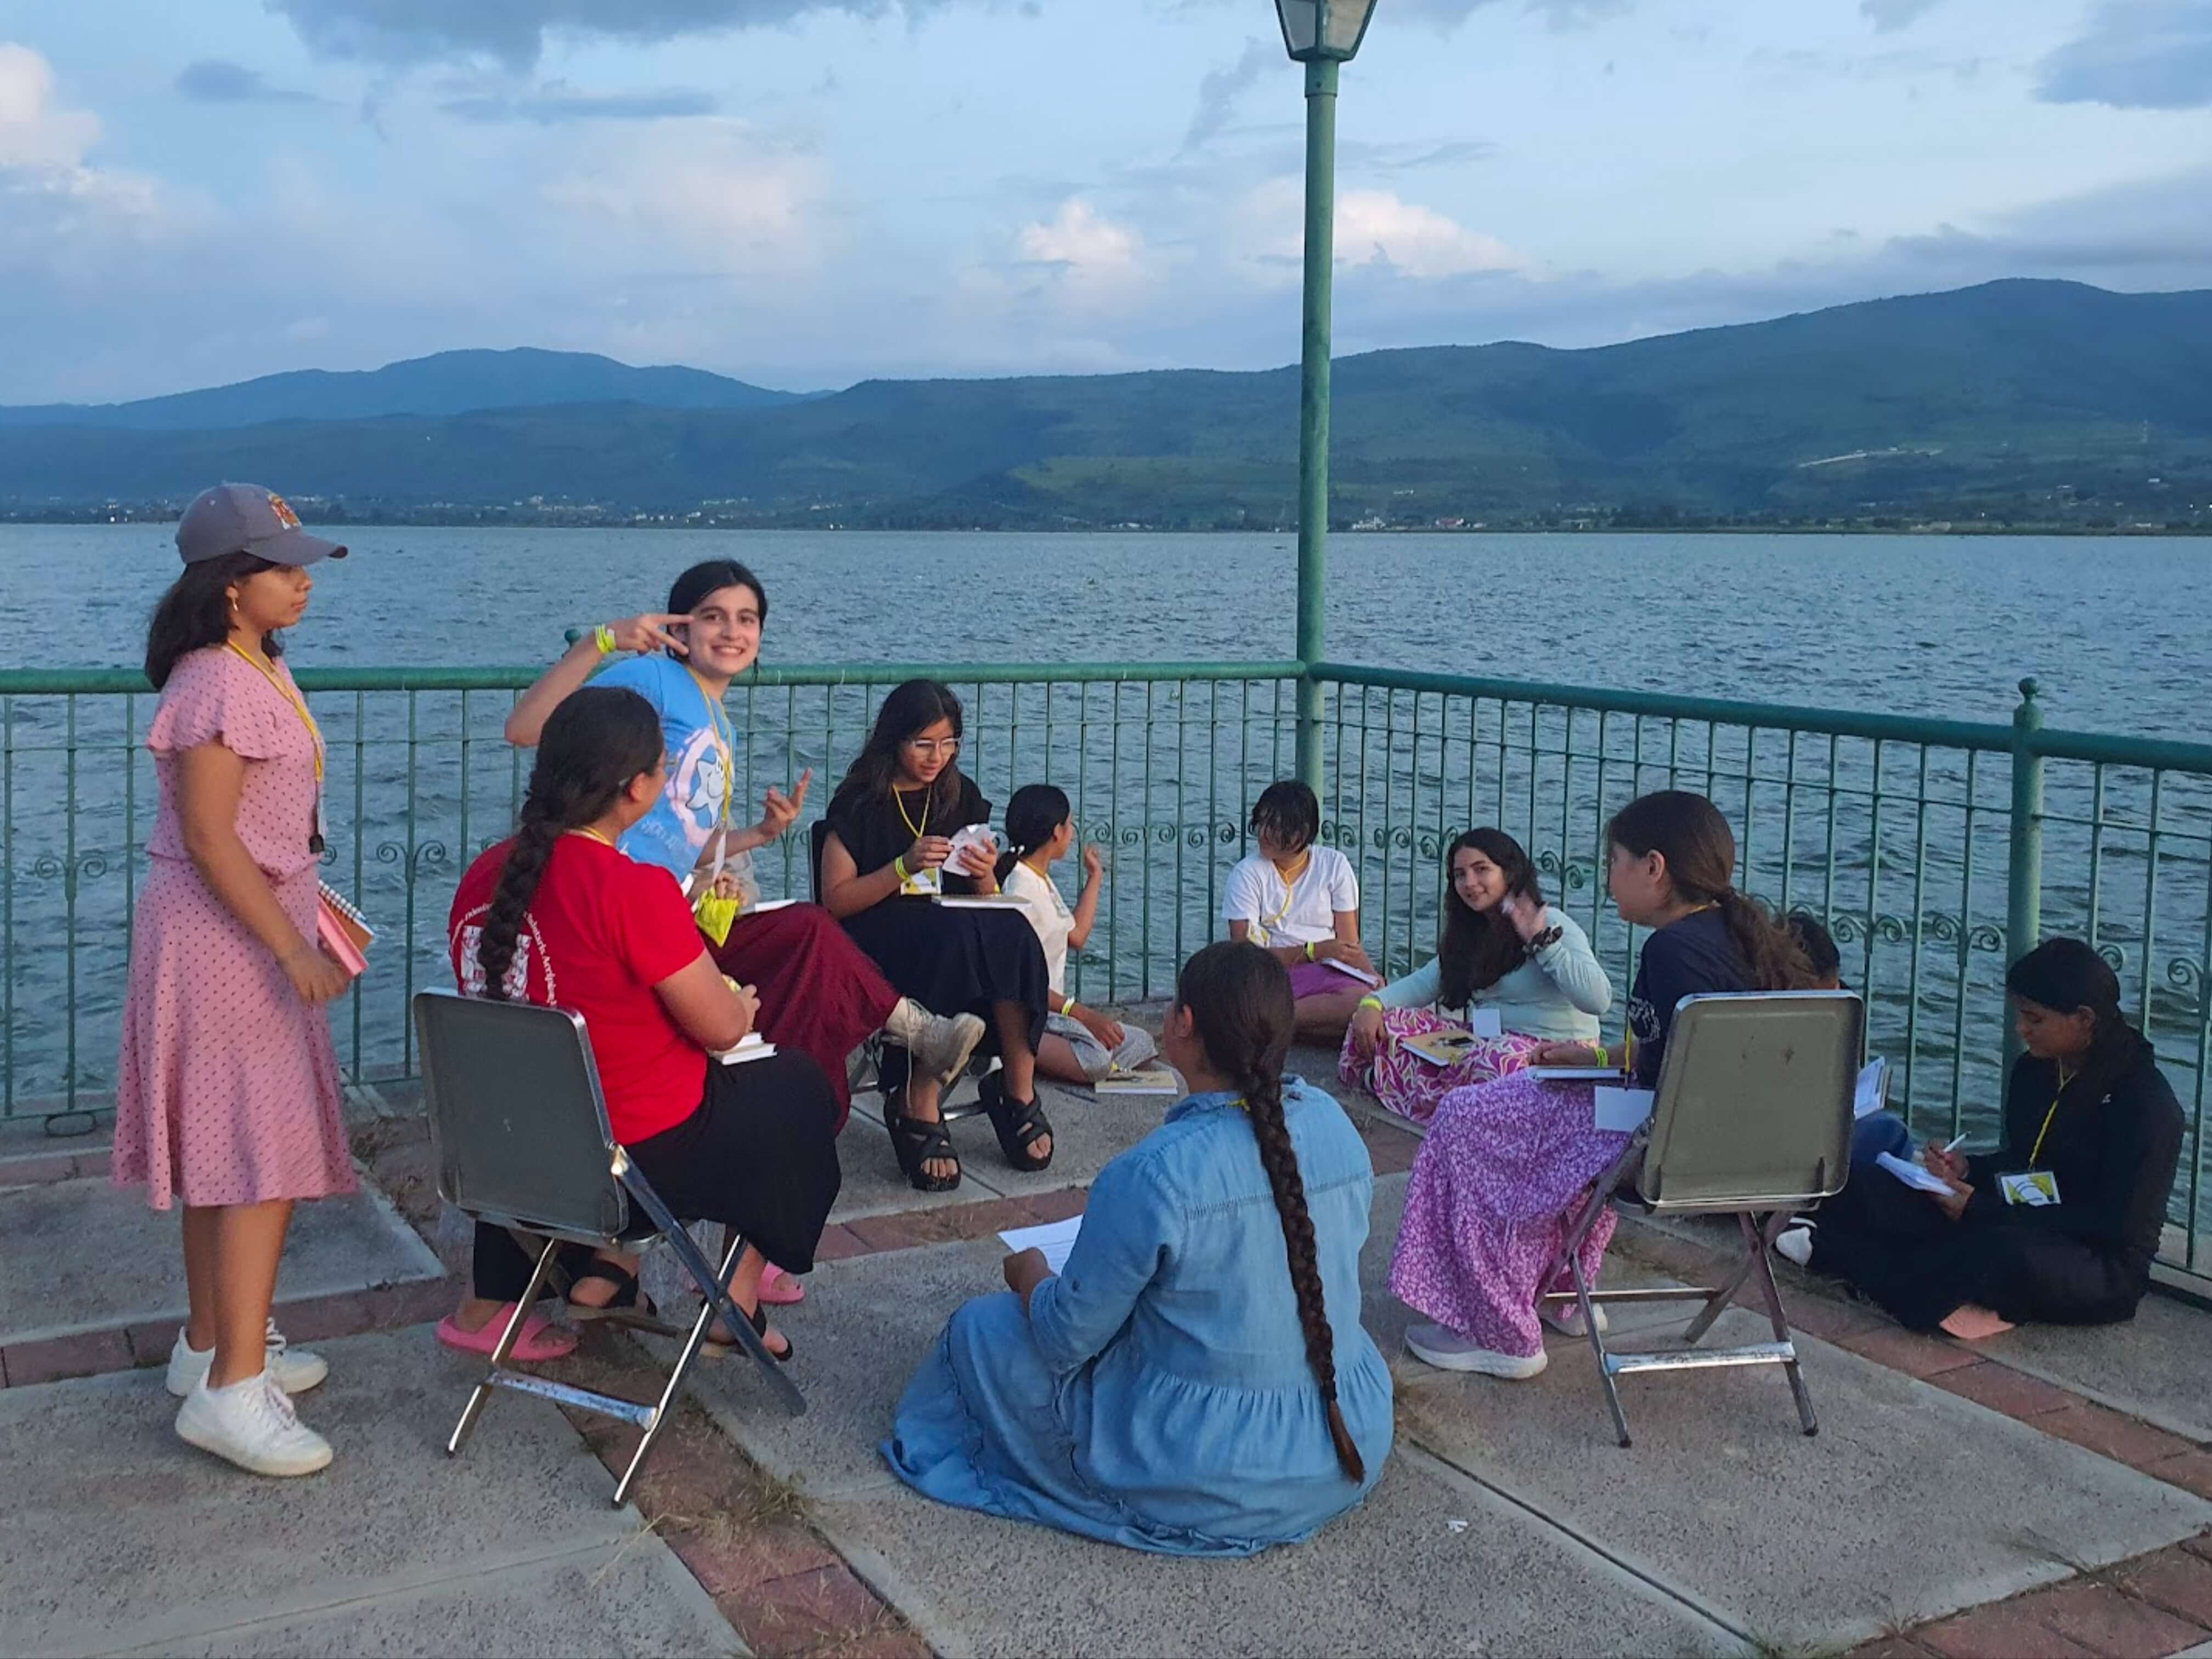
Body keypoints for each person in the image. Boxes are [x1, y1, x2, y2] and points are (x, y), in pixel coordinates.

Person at [503, 562, 981, 1300]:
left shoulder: (714, 718)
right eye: (713, 615)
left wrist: (756, 835)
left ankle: (675, 1253)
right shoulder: (655, 683)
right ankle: (903, 1044)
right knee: (810, 943)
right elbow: (529, 729)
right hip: (624, 921)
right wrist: (601, 642)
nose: (732, 631)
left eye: (747, 618)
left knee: (803, 1001)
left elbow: (672, 836)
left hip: (670, 913)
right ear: (678, 627)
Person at [883, 941, 1391, 1555]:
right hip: (1347, 1439)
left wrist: (1031, 1276)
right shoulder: (1333, 1123)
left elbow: (1064, 1338)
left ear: (1183, 1024)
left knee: (982, 1330)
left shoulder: (1155, 1173)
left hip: (1206, 1470)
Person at [439, 687, 840, 1360]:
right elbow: (717, 1028)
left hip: (508, 1148)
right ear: (638, 788)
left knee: (560, 1074)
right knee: (796, 1089)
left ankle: (591, 1277)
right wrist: (740, 1006)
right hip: (626, 1162)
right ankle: (734, 1303)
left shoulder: (485, 874)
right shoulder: (630, 888)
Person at [1390, 790, 1817, 1378]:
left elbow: (1663, 1070)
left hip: (1664, 1151)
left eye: (1615, 861)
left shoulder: (1671, 951)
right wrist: (1595, 1054)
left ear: (1654, 867)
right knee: (1516, 1102)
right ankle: (1565, 1288)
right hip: (1749, 1154)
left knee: (1468, 1118)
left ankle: (1501, 1329)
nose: (1609, 878)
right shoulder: (1746, 939)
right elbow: (1690, 1052)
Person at [112, 483, 357, 1479]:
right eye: (280, 565)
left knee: (226, 1143)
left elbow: (257, 827)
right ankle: (232, 1391)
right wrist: (290, 945)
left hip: (244, 928)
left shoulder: (252, 663)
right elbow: (212, 835)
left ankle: (211, 1345)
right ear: (227, 585)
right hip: (228, 942)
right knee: (263, 1152)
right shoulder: (215, 680)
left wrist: (312, 913)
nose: (302, 579)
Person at [1793, 938, 2183, 1333]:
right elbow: (2024, 1161)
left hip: (2095, 1260)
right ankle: (1921, 1285)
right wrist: (1965, 1170)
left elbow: (2111, 1223)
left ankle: (1842, 1260)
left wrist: (1981, 1209)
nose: (2022, 1030)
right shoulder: (2036, 1071)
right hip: (2019, 1213)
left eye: (2035, 1020)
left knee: (1999, 1250)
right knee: (1868, 1185)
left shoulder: (2146, 1107)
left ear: (2084, 1019)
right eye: (2020, 1015)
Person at [820, 680, 1052, 1191]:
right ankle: (918, 1095)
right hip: (880, 926)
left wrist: (987, 871)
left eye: (948, 744)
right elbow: (835, 900)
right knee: (952, 939)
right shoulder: (861, 804)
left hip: (952, 920)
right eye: (923, 744)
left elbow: (982, 893)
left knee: (1012, 930)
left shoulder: (957, 793)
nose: (937, 757)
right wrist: (901, 868)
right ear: (893, 741)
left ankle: (1017, 1087)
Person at [1340, 828, 1611, 1124]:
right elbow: (1425, 982)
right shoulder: (1471, 932)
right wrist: (1373, 1005)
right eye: (1460, 874)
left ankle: (1405, 1089)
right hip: (1487, 1042)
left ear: (1509, 873)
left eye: (1482, 870)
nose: (1469, 883)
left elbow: (1598, 1001)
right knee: (1389, 1023)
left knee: (1498, 1064)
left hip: (1554, 1053)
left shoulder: (1553, 923)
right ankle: (1424, 1093)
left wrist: (1542, 943)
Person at [994, 784, 1158, 1086]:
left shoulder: (1040, 879)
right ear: (1056, 832)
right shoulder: (1019, 889)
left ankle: (1052, 1058)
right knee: (1096, 1061)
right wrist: (1082, 1014)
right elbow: (1016, 981)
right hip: (1028, 1015)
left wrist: (1095, 876)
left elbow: (1077, 935)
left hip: (1054, 1016)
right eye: (1070, 825)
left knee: (1141, 1042)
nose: (1072, 833)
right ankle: (1015, 1053)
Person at [1222, 781, 1373, 1042]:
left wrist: (1373, 977)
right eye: (1263, 823)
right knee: (1358, 1005)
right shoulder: (1247, 873)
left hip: (1328, 971)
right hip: (1270, 973)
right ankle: (1273, 1021)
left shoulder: (1334, 865)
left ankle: (1271, 1023)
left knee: (1373, 1005)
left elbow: (1349, 944)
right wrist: (1313, 951)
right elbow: (1244, 955)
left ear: (1302, 833)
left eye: (1277, 827)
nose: (1265, 834)